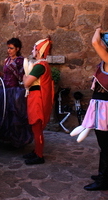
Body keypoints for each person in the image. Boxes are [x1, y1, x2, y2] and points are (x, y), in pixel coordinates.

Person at [70, 28, 108, 191]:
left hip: (106, 109)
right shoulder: (105, 61)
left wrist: (98, 30)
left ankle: (104, 180)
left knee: (106, 146)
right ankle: (104, 175)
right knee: (104, 145)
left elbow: (94, 42)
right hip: (101, 107)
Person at [0, 38, 33, 148]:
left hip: (15, 92)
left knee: (14, 115)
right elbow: (6, 74)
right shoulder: (7, 60)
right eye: (8, 48)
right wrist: (0, 73)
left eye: (11, 48)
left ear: (17, 49)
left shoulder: (20, 61)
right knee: (2, 113)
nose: (9, 50)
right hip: (4, 91)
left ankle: (15, 139)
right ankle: (5, 138)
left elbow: (23, 76)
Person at [23, 37, 54, 165]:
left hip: (37, 99)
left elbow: (26, 83)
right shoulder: (41, 65)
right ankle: (36, 151)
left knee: (37, 127)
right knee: (35, 128)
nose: (32, 51)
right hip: (35, 97)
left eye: (34, 49)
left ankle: (39, 155)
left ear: (39, 51)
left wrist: (25, 76)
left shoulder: (39, 66)